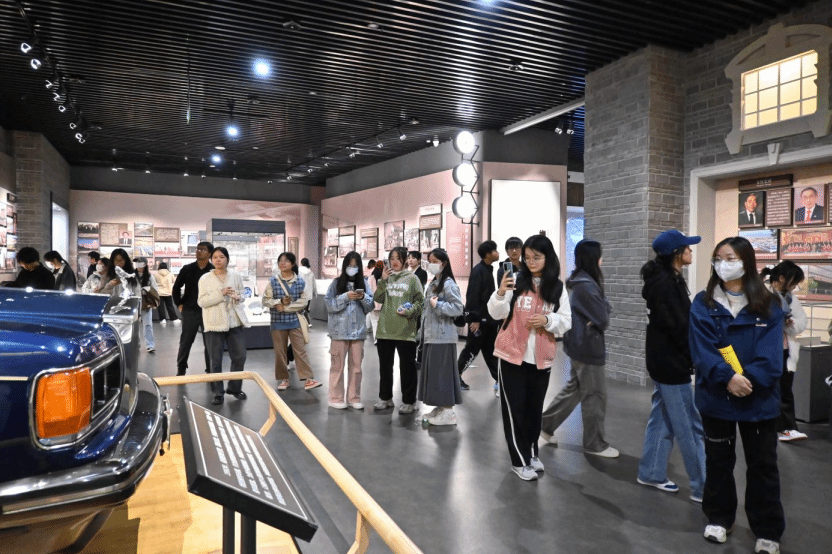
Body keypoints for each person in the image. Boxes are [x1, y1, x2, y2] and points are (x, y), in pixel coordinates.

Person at [689, 236, 784, 554]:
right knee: (718, 462)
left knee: (763, 466)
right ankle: (719, 517)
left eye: (730, 258)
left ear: (746, 262)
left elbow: (771, 355)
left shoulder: (769, 304)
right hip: (717, 397)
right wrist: (728, 378)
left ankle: (767, 529)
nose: (723, 264)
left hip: (759, 399)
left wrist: (748, 380)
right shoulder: (703, 303)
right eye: (718, 258)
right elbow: (701, 350)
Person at [488, 235, 571, 480]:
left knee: (534, 410)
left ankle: (532, 454)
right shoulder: (516, 280)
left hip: (542, 358)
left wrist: (547, 320)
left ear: (548, 258)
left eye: (537, 257)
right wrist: (500, 292)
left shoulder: (557, 287)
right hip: (511, 355)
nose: (531, 262)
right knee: (514, 410)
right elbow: (496, 313)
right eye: (527, 257)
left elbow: (566, 321)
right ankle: (519, 461)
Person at [636, 230, 706, 502]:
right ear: (676, 254)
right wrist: (694, 357)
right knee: (690, 425)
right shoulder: (665, 284)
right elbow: (678, 328)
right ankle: (703, 486)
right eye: (687, 247)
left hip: (663, 361)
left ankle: (651, 472)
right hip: (671, 365)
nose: (691, 250)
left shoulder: (667, 279)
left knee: (663, 418)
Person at [540, 239, 618, 458]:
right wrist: (599, 314)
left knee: (574, 390)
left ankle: (546, 424)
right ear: (593, 258)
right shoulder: (586, 286)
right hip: (587, 346)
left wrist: (599, 312)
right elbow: (603, 318)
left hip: (578, 344)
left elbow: (602, 311)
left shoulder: (579, 282)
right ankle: (595, 444)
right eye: (600, 255)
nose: (602, 259)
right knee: (595, 395)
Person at [373, 246, 425, 413]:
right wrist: (382, 281)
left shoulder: (412, 279)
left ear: (404, 260)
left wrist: (409, 311)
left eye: (398, 258)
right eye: (392, 259)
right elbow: (378, 299)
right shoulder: (386, 278)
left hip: (405, 331)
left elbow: (420, 302)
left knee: (407, 368)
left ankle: (409, 401)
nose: (394, 262)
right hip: (385, 330)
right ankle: (385, 398)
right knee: (385, 368)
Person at [761, 261, 808, 442]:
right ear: (781, 278)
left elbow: (802, 322)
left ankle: (787, 428)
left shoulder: (791, 299)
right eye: (793, 281)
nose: (794, 286)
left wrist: (789, 324)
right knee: (766, 390)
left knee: (785, 390)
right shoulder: (761, 294)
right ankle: (771, 427)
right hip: (765, 351)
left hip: (785, 350)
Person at [418, 248, 464, 425]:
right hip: (432, 335)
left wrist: (438, 306)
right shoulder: (434, 283)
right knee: (435, 373)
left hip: (443, 336)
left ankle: (448, 411)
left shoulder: (449, 284)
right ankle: (440, 407)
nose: (431, 264)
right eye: (429, 261)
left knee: (443, 374)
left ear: (444, 263)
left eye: (435, 261)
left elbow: (457, 308)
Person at [198, 246, 249, 406]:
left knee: (240, 356)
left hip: (234, 321)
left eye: (221, 257)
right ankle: (218, 392)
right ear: (211, 260)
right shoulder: (205, 278)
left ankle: (234, 388)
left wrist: (237, 297)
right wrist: (221, 293)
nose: (218, 260)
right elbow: (202, 301)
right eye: (215, 257)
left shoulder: (235, 276)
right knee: (215, 360)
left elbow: (242, 294)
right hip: (214, 323)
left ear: (227, 259)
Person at [263, 252, 319, 391]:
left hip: (295, 321)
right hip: (277, 322)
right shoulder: (273, 281)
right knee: (280, 352)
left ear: (293, 264)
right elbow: (265, 300)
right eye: (280, 261)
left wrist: (286, 308)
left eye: (287, 261)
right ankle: (284, 378)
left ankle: (308, 379)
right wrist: (279, 301)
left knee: (300, 350)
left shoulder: (300, 281)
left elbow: (304, 301)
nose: (283, 263)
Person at [325, 252, 374, 409]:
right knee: (337, 367)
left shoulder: (364, 283)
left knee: (357, 368)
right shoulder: (336, 283)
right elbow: (330, 305)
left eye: (355, 266)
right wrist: (345, 297)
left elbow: (371, 306)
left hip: (358, 332)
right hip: (339, 332)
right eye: (349, 265)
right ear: (344, 266)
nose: (352, 268)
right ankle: (335, 398)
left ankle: (354, 398)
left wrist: (363, 298)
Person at [458, 240, 501, 393]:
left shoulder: (488, 270)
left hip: (489, 321)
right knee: (471, 350)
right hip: (479, 321)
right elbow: (472, 296)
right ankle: (455, 376)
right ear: (488, 254)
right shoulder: (478, 271)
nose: (497, 253)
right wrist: (474, 319)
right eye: (495, 250)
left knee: (491, 352)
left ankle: (499, 380)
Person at [173, 241, 214, 376]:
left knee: (209, 342)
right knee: (186, 341)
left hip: (208, 310)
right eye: (198, 249)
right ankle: (181, 368)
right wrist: (179, 303)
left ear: (209, 253)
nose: (199, 252)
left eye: (203, 250)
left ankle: (210, 369)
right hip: (190, 310)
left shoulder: (213, 270)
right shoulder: (187, 268)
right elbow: (176, 287)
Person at [132, 257, 159, 352]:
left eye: (139, 262)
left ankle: (150, 345)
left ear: (144, 264)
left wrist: (147, 291)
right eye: (136, 262)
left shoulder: (149, 276)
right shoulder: (132, 276)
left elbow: (155, 289)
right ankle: (136, 345)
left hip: (146, 303)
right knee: (134, 326)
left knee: (148, 325)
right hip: (134, 303)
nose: (137, 264)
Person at [367, 260, 384, 342]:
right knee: (382, 322)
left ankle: (376, 340)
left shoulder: (371, 278)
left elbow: (368, 291)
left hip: (373, 303)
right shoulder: (384, 278)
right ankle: (382, 338)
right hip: (383, 303)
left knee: (374, 322)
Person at [298, 257, 316, 326]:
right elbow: (314, 284)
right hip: (309, 293)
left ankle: (307, 322)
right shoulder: (311, 272)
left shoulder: (298, 271)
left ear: (301, 263)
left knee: (302, 308)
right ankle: (305, 322)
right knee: (305, 308)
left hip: (301, 292)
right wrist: (314, 292)